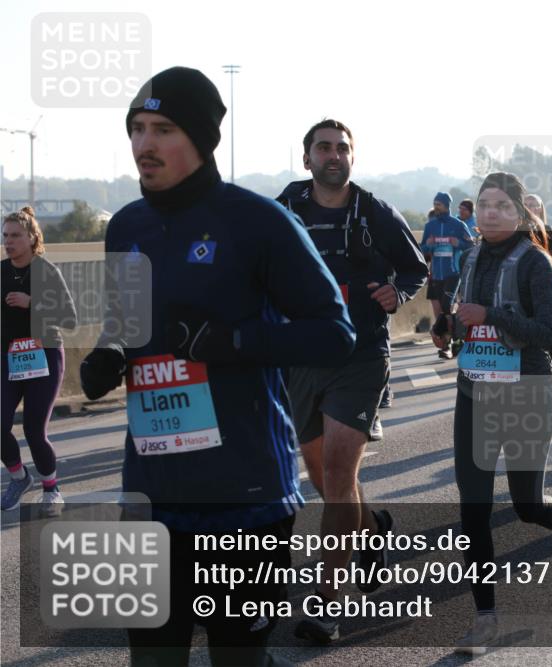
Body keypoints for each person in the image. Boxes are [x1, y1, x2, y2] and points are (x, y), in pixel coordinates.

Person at [78, 66, 356, 666]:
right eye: (136, 128)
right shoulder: (126, 226)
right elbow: (126, 322)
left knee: (238, 659)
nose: (144, 144)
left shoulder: (258, 222)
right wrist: (109, 354)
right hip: (151, 491)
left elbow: (335, 334)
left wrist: (231, 342)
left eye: (163, 129)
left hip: (244, 495)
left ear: (202, 141)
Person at [275, 118, 428, 643]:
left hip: (360, 356)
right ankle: (372, 528)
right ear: (308, 159)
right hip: (300, 358)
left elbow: (415, 268)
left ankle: (327, 603)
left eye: (342, 148)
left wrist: (397, 293)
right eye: (324, 148)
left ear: (352, 157)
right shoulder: (285, 208)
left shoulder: (374, 212)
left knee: (340, 474)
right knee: (324, 479)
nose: (333, 155)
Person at [430, 172, 552, 654]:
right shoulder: (471, 255)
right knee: (473, 508)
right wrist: (447, 326)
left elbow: (549, 335)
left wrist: (491, 316)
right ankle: (485, 620)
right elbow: (466, 315)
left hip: (525, 393)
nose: (491, 213)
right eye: (484, 204)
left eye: (501, 206)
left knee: (526, 505)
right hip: (474, 393)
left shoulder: (536, 262)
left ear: (520, 215)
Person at [1, 207, 77, 515]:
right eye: (5, 236)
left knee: (34, 429)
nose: (8, 242)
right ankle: (19, 477)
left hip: (44, 355)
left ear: (32, 238)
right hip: (9, 357)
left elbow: (70, 318)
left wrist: (32, 303)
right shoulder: (1, 272)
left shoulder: (46, 271)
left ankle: (51, 489)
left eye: (15, 236)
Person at [421, 192, 474, 359]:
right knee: (442, 312)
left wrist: (458, 243)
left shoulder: (458, 225)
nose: (436, 207)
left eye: (439, 204)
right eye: (434, 204)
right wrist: (428, 245)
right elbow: (422, 249)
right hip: (436, 274)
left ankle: (446, 339)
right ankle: (449, 343)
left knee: (446, 305)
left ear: (446, 205)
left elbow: (471, 246)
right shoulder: (430, 226)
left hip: (453, 273)